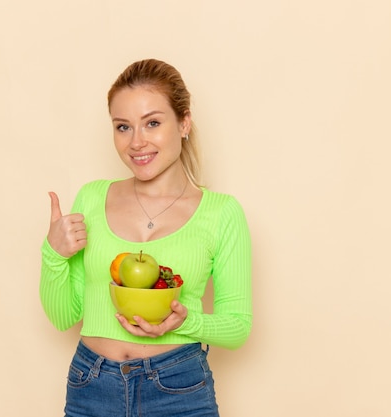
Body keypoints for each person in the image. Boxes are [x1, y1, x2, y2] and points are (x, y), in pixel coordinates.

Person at [40, 58, 252, 417]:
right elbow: (64, 315)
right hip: (92, 385)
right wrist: (54, 254)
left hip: (178, 388)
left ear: (184, 122)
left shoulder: (221, 213)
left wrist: (188, 322)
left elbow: (238, 326)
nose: (137, 142)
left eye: (152, 123)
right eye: (123, 127)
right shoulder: (91, 198)